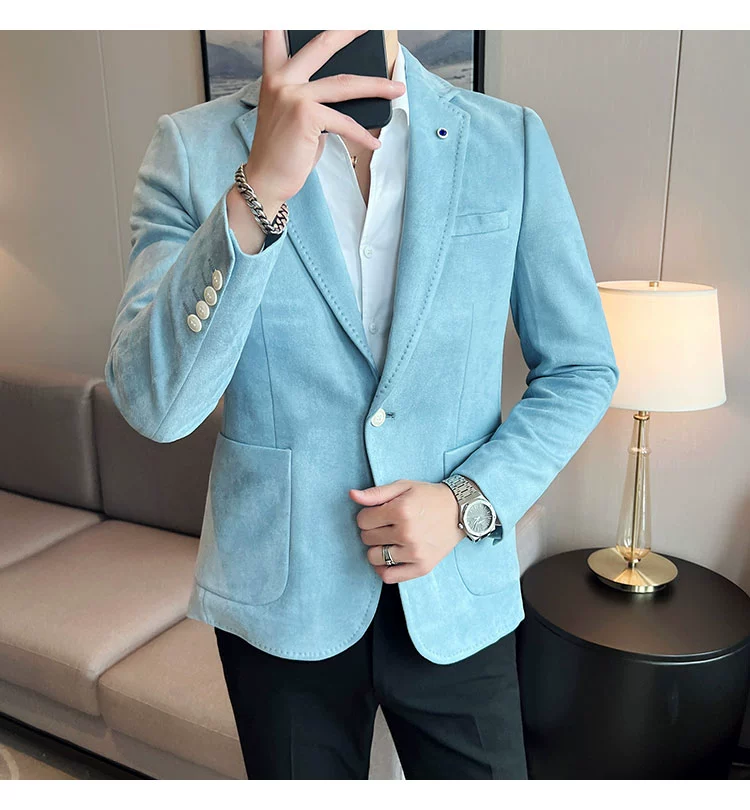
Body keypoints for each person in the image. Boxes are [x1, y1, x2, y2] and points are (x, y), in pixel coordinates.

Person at [106, 29, 619, 779]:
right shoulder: (191, 148)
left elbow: (581, 366)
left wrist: (467, 502)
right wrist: (258, 190)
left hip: (455, 588)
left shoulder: (506, 140)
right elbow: (156, 406)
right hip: (281, 604)